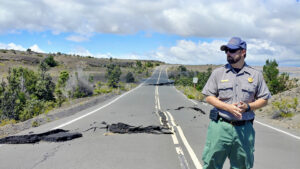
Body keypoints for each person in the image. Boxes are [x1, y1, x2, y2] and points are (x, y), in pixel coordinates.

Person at [201, 37, 271, 169]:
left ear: (243, 52)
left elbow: (264, 99)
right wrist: (227, 107)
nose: (228, 53)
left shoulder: (255, 75)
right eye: (226, 50)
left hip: (244, 129)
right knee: (211, 164)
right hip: (220, 126)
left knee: (242, 166)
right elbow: (208, 96)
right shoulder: (218, 73)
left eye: (232, 50)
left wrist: (249, 107)